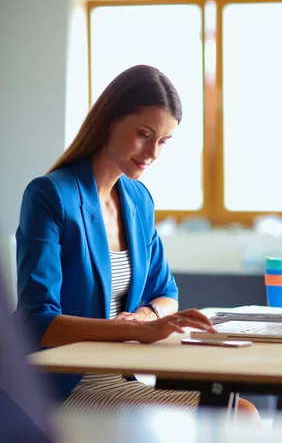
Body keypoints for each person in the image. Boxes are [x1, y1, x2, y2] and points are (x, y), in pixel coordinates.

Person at [15, 64, 258, 417]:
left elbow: (167, 294)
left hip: (124, 375)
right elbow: (36, 321)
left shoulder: (138, 199)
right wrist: (131, 331)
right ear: (110, 120)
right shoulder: (51, 195)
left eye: (163, 141)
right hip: (68, 386)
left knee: (236, 412)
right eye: (144, 134)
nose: (153, 152)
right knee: (238, 414)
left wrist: (147, 315)